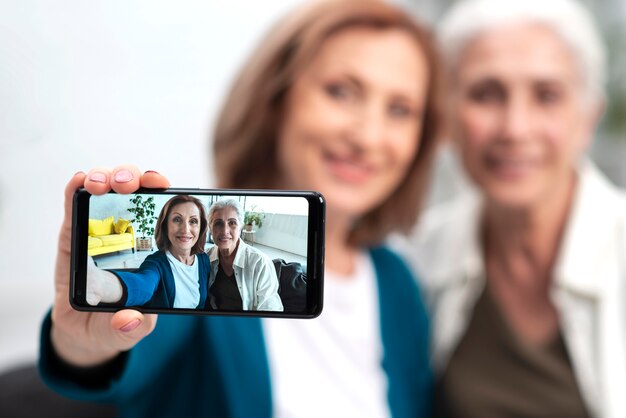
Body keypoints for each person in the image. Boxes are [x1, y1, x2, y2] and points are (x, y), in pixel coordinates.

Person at [39, 1, 442, 417]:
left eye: (400, 109)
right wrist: (84, 341)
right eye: (341, 91)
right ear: (275, 100)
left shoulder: (397, 283)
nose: (368, 136)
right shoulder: (193, 266)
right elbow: (133, 328)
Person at [397, 0, 626, 417]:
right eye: (486, 94)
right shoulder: (416, 261)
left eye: (547, 96)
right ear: (448, 116)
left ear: (588, 118)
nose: (515, 128)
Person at [86, 194, 212, 309]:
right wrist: (100, 284)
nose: (185, 229)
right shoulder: (155, 263)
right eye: (177, 220)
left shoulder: (203, 260)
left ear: (201, 228)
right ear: (165, 226)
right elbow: (143, 285)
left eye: (193, 221)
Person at [206, 198, 283, 311]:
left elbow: (270, 309)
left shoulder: (260, 262)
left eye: (232, 223)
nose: (224, 231)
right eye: (218, 223)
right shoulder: (204, 259)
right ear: (210, 228)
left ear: (241, 227)